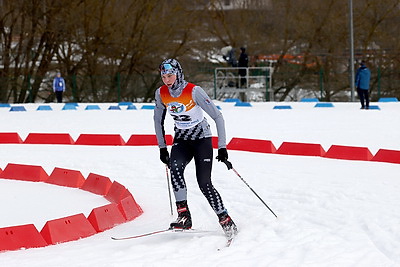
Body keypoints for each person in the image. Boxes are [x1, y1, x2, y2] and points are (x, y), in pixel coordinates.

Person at [153, 58, 238, 239]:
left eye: (170, 75)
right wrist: (162, 147)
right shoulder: (161, 93)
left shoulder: (194, 91)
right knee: (175, 169)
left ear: (178, 74)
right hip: (182, 140)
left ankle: (226, 219)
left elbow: (218, 117)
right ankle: (184, 216)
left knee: (204, 183)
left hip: (202, 140)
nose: (167, 80)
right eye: (164, 76)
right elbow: (157, 120)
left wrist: (222, 147)